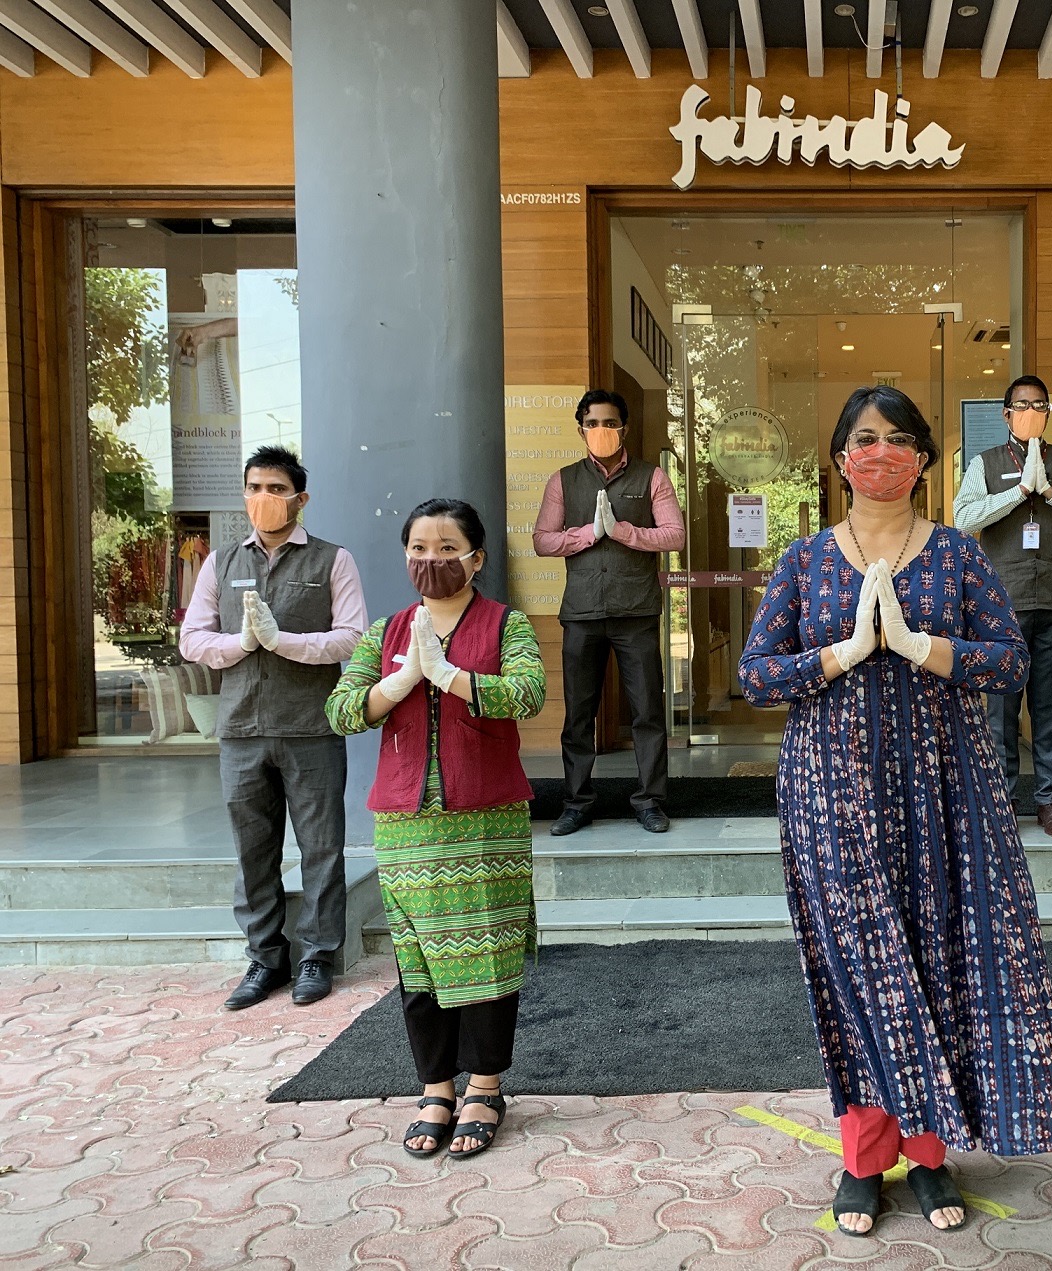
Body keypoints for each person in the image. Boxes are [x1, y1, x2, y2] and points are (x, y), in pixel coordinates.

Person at [738, 385, 1052, 1238]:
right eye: (863, 437)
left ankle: (927, 1156)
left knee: (934, 968)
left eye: (896, 438)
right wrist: (843, 651)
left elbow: (1008, 664)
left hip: (943, 794)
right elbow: (755, 674)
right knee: (856, 977)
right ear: (839, 457)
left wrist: (924, 647)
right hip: (831, 793)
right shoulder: (805, 560)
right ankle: (864, 1155)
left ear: (924, 459)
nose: (879, 452)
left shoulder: (958, 556)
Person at [326, 498, 545, 1159]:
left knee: (487, 955)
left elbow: (530, 691)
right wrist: (401, 683)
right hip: (405, 826)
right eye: (419, 547)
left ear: (476, 558)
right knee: (419, 964)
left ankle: (484, 1085)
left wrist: (451, 677)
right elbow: (341, 709)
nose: (431, 559)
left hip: (488, 820)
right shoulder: (386, 632)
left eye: (447, 547)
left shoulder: (506, 624)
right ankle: (435, 1088)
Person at [180, 445, 366, 1010]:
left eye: (276, 489)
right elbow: (192, 639)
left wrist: (282, 641)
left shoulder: (333, 560)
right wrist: (240, 642)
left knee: (321, 847)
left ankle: (316, 956)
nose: (264, 498)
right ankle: (265, 958)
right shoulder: (220, 562)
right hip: (241, 730)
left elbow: (353, 637)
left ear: (300, 499)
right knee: (252, 849)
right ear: (244, 495)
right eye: (255, 488)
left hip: (311, 727)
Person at [953, 374, 1052, 839]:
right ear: (1006, 414)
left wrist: (1049, 493)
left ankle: (1049, 800)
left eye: (1039, 405)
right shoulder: (984, 464)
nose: (1031, 411)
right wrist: (1019, 492)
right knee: (1000, 708)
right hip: (1001, 604)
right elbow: (963, 519)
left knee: (1050, 704)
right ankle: (1001, 799)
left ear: (1049, 412)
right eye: (1022, 405)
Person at [533, 389, 685, 836]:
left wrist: (622, 531)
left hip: (636, 611)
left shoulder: (652, 477)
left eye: (610, 423)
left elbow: (674, 535)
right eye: (593, 423)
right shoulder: (562, 480)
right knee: (579, 714)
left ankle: (650, 800)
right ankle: (577, 802)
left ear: (625, 428)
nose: (603, 431)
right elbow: (543, 540)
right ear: (581, 429)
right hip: (581, 612)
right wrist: (587, 534)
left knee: (647, 713)